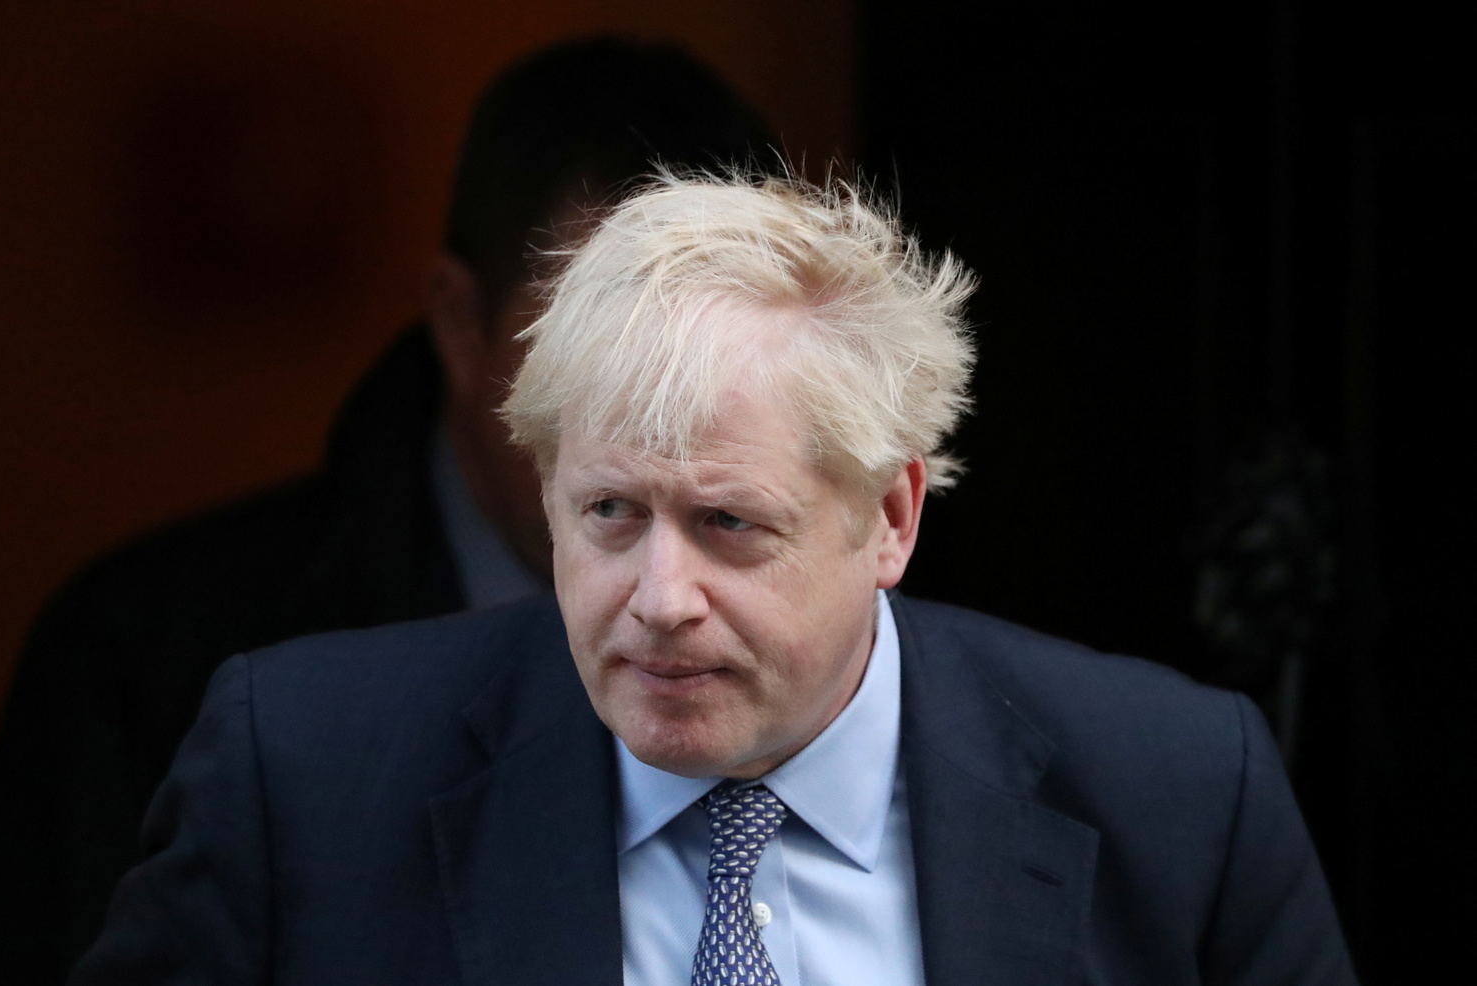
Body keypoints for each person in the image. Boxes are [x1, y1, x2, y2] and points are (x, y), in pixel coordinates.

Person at [69, 172, 1356, 984]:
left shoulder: (1180, 793)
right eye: (611, 513)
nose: (659, 592)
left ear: (893, 514)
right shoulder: (301, 774)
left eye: (731, 522)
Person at [0, 39, 772, 985]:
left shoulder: (850, 630)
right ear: (458, 322)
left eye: (728, 348)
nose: (670, 416)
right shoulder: (149, 660)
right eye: (597, 343)